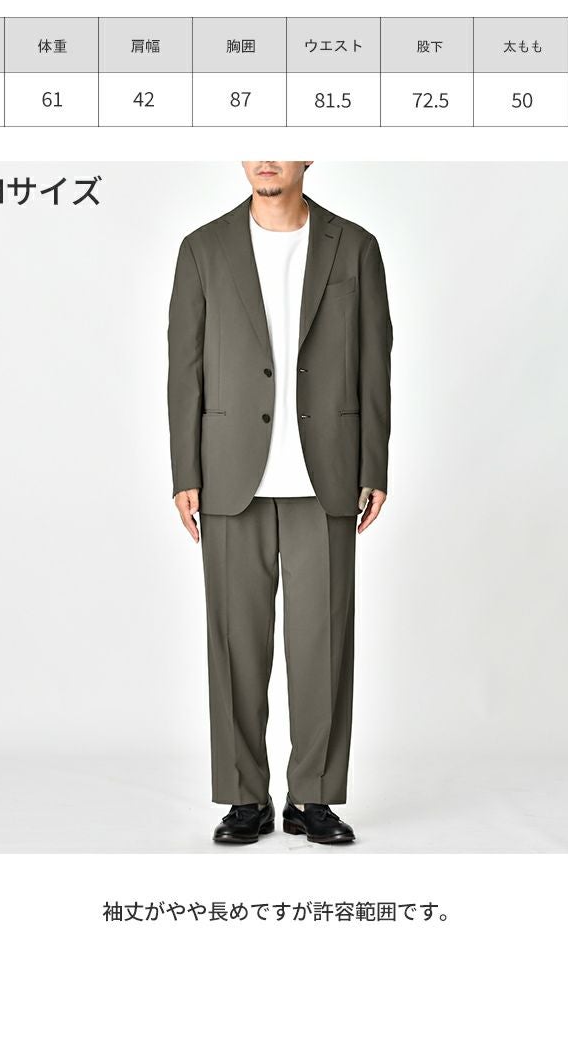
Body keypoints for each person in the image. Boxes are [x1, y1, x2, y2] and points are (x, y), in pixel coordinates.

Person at [167, 161, 393, 844]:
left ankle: (312, 796)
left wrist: (373, 464)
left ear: (308, 153)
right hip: (229, 474)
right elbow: (185, 367)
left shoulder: (355, 247)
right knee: (235, 645)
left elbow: (375, 361)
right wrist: (185, 471)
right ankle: (245, 798)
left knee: (323, 645)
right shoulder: (203, 249)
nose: (267, 154)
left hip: (326, 475)